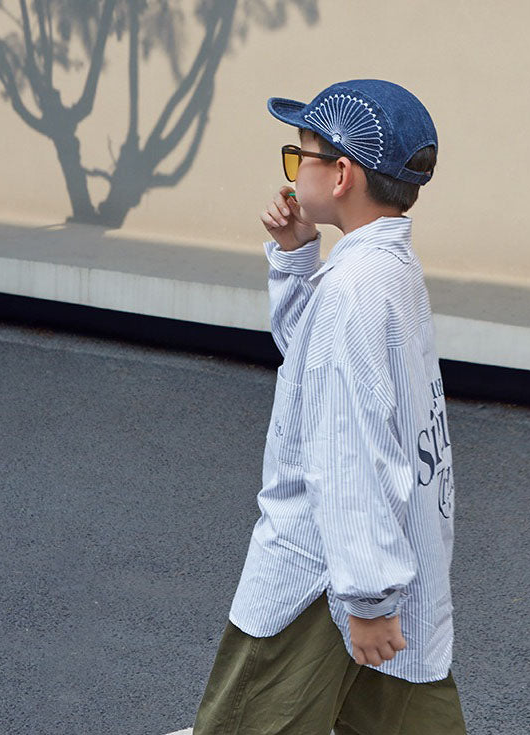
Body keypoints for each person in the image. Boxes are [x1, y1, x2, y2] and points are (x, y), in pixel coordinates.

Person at [192, 78, 467, 735]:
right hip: (387, 552)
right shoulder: (385, 268)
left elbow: (346, 447)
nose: (293, 170)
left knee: (254, 719)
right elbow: (312, 362)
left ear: (340, 174)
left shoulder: (351, 289)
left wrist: (366, 598)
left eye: (300, 155)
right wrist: (295, 257)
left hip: (322, 574)